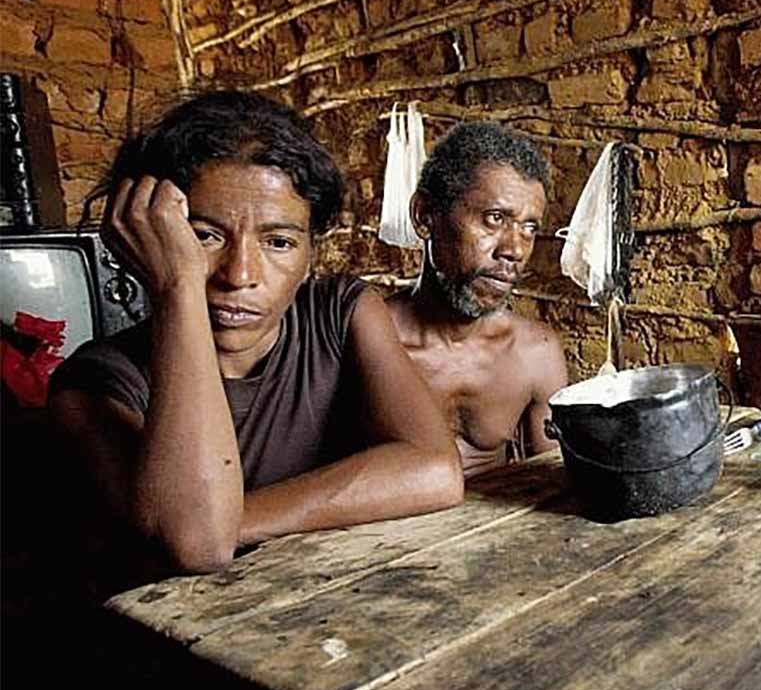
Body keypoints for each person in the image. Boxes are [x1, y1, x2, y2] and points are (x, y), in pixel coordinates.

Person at [48, 91, 464, 576]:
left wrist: (231, 520)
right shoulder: (94, 385)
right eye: (203, 235)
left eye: (279, 242)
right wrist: (178, 287)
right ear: (150, 238)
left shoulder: (340, 315)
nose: (240, 274)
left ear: (310, 253)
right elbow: (198, 545)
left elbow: (435, 470)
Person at [387, 122, 569, 477]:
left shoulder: (535, 352)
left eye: (529, 228)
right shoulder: (368, 344)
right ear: (425, 216)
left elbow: (552, 482)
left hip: (496, 514)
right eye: (494, 219)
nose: (515, 250)